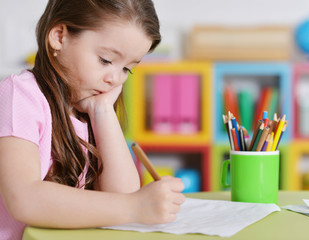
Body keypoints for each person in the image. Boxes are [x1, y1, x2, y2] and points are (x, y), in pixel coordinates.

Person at [0, 1, 185, 239]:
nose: (115, 79)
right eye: (106, 60)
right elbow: (24, 199)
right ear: (59, 36)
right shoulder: (20, 95)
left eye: (127, 69)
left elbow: (123, 193)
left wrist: (103, 112)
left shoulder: (89, 107)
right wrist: (135, 206)